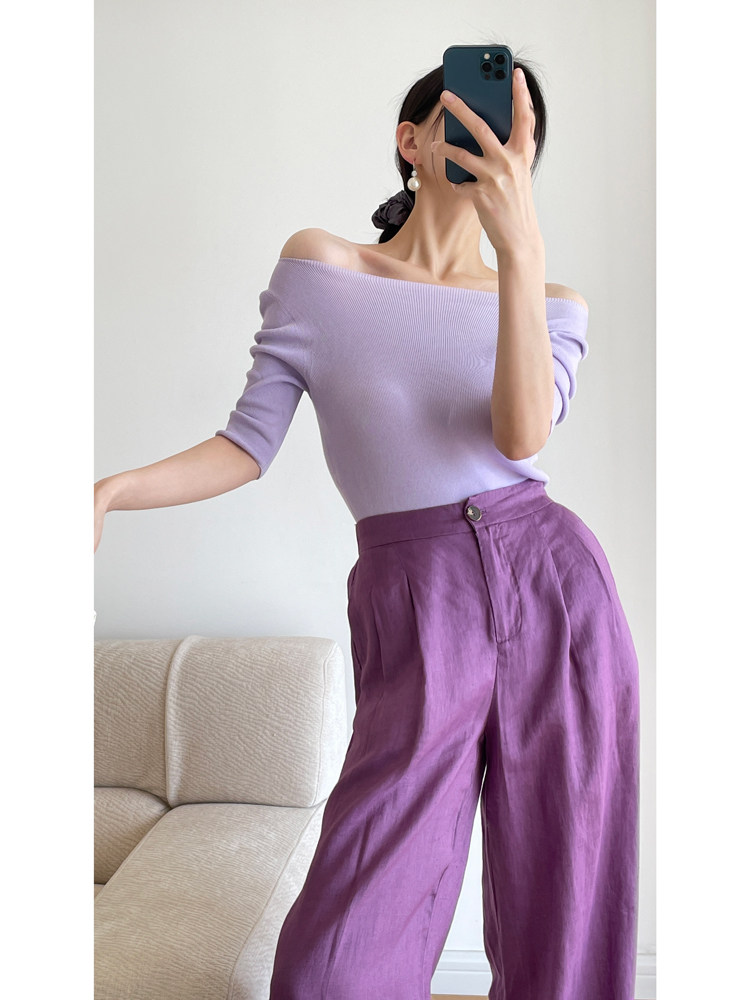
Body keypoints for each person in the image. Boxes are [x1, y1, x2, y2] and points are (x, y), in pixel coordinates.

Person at [94, 54, 640, 1000]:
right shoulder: (324, 270)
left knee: (569, 902)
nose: (488, 144)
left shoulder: (554, 305)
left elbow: (521, 435)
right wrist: (108, 492)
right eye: (467, 121)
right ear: (412, 140)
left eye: (513, 138)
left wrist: (522, 253)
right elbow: (245, 443)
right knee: (342, 953)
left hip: (555, 591)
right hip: (416, 598)